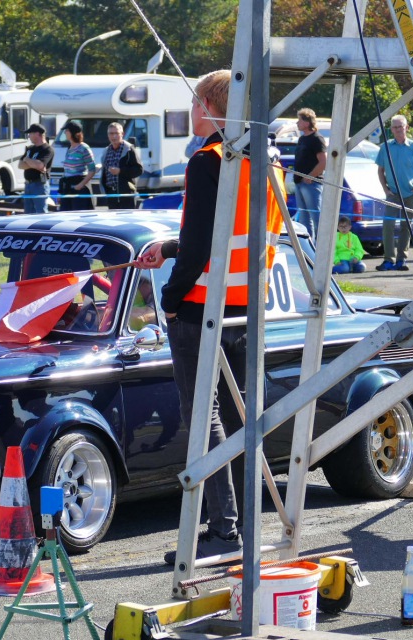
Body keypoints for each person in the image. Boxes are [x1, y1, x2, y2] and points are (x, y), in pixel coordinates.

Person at [134, 69, 252, 564]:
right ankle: (237, 526)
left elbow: (203, 244)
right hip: (246, 305)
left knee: (204, 418)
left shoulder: (208, 161)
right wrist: (168, 245)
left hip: (203, 305)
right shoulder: (260, 158)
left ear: (211, 105)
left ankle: (222, 531)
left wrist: (171, 298)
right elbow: (227, 235)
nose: (191, 112)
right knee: (238, 415)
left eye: (195, 102)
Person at [375, 114, 413, 271]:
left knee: (406, 226)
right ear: (391, 129)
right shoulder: (385, 147)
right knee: (388, 225)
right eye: (395, 127)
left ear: (407, 128)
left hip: (410, 193)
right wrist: (385, 189)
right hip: (393, 193)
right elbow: (380, 170)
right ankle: (388, 259)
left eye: (400, 126)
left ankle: (401, 260)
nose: (398, 129)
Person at [293, 108, 327, 238]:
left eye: (299, 120)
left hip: (312, 183)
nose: (297, 123)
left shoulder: (317, 138)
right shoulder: (302, 139)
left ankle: (321, 248)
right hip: (299, 182)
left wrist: (310, 176)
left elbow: (323, 162)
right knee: (303, 220)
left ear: (307, 122)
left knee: (316, 217)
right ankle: (308, 250)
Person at [99, 123, 143, 209]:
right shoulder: (106, 151)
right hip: (111, 193)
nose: (114, 136)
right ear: (108, 135)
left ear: (122, 134)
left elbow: (139, 170)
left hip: (126, 194)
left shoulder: (129, 149)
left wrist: (120, 171)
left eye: (117, 133)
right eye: (111, 133)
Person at [58, 121, 96, 211]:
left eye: (66, 130)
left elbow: (92, 170)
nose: (65, 133)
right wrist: (61, 193)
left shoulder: (84, 148)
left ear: (73, 132)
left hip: (80, 188)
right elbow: (67, 171)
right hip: (67, 187)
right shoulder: (69, 148)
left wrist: (80, 185)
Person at [19, 123, 53, 214]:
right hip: (28, 185)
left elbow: (40, 165)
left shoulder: (47, 149)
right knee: (28, 214)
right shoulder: (30, 149)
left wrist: (27, 159)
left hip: (39, 185)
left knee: (40, 213)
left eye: (30, 133)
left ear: (37, 134)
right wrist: (32, 163)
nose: (29, 136)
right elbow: (20, 165)